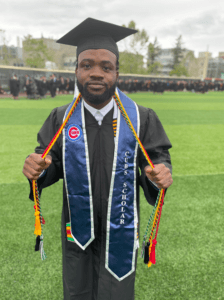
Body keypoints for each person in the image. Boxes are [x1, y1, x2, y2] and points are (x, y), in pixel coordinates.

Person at [22, 18, 173, 300]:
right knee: (77, 288)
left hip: (123, 227)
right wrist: (38, 170)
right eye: (87, 64)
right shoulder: (61, 119)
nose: (96, 73)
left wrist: (158, 174)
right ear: (76, 70)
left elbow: (156, 159)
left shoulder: (142, 117)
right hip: (77, 229)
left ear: (117, 72)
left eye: (106, 66)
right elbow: (48, 163)